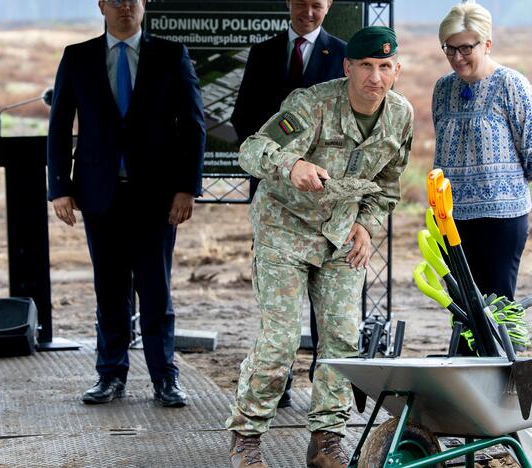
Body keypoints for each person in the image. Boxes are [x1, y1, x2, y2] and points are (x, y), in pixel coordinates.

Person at [227, 26, 413, 468]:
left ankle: (327, 439)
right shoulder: (311, 104)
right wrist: (290, 165)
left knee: (343, 342)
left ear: (397, 70)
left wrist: (368, 225)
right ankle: (247, 437)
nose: (375, 77)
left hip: (341, 236)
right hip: (284, 231)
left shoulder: (400, 116)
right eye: (366, 66)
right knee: (281, 340)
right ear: (348, 67)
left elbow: (387, 184)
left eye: (385, 67)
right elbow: (252, 149)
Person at [47, 0, 205, 408]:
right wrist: (59, 188)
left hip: (156, 198)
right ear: (101, 5)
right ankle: (110, 375)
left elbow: (193, 125)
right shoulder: (77, 57)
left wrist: (187, 188)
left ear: (144, 3)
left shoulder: (171, 55)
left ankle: (164, 379)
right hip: (99, 195)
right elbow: (59, 126)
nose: (124, 7)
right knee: (110, 290)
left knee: (156, 292)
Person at [231, 0, 347, 409]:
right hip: (274, 196)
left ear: (328, 5)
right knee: (280, 304)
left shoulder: (345, 55)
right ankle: (275, 385)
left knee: (329, 305)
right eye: (301, 3)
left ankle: (322, 390)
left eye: (317, 4)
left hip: (324, 202)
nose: (308, 12)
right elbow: (243, 119)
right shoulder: (263, 53)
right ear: (289, 4)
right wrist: (279, 162)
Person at [432, 2, 532, 304]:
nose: (457, 58)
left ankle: (505, 353)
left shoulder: (510, 84)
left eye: (465, 49)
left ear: (486, 44)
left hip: (501, 218)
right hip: (450, 217)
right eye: (449, 49)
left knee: (497, 308)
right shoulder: (443, 89)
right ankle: (463, 354)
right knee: (462, 309)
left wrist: (505, 185)